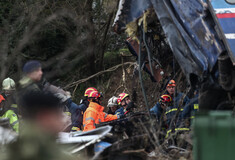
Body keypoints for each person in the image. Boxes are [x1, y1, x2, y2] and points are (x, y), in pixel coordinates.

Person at [4, 91, 75, 160]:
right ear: (44, 117)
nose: (62, 121)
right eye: (58, 115)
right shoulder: (47, 153)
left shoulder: (10, 151)